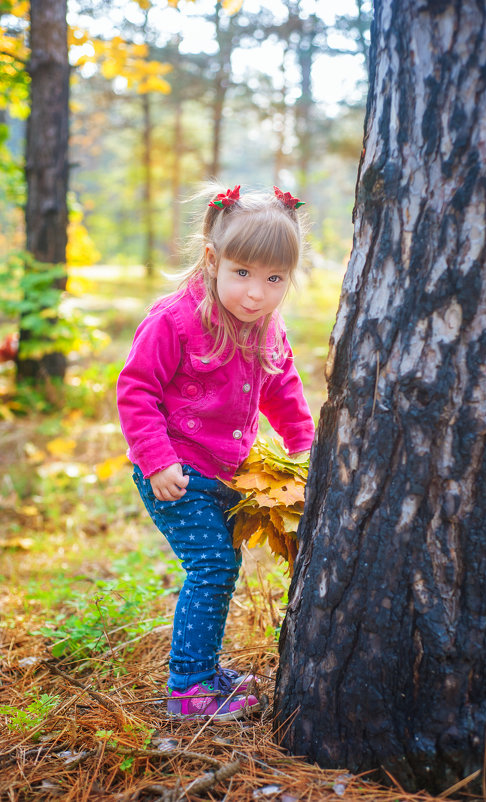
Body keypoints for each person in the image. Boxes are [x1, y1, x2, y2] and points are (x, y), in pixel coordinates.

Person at [117, 184, 315, 720]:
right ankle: (188, 687)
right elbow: (136, 391)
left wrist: (304, 446)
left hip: (223, 469)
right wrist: (157, 460)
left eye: (274, 279)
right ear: (213, 259)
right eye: (243, 273)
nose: (256, 293)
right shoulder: (175, 320)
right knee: (211, 564)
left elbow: (282, 386)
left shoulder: (267, 326)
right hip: (174, 470)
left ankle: (203, 670)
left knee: (219, 564)